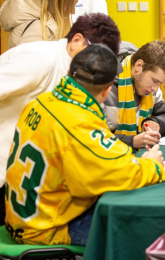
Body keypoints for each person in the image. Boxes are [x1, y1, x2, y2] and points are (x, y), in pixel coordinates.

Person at [4, 44, 165, 246]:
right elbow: (116, 172)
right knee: (143, 234)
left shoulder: (38, 103)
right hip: (46, 228)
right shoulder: (79, 122)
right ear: (107, 91)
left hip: (21, 217)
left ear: (68, 73)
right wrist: (153, 166)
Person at [0, 13, 121, 226]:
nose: (98, 63)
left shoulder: (78, 74)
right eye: (94, 53)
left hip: (29, 171)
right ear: (76, 40)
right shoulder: (40, 59)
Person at [103, 40, 165, 150]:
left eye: (160, 83)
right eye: (154, 80)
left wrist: (154, 122)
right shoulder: (101, 85)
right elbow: (90, 137)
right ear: (138, 65)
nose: (156, 89)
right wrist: (132, 141)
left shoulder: (151, 89)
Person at [0, 0, 80, 49]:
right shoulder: (37, 27)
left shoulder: (45, 22)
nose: (73, 11)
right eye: (70, 5)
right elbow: (29, 61)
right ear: (55, 2)